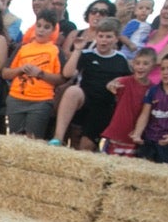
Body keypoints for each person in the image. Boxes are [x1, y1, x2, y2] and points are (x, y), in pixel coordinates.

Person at [51, 18, 132, 150]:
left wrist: (116, 83)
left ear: (116, 39)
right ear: (96, 37)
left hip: (104, 105)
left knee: (85, 146)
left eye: (108, 37)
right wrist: (77, 50)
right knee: (72, 91)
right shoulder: (86, 54)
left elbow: (126, 81)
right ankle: (57, 138)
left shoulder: (121, 59)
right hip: (84, 99)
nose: (104, 40)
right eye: (101, 36)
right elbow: (67, 73)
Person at [1, 9, 64, 137]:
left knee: (33, 139)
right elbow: (5, 73)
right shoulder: (22, 48)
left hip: (41, 101)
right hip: (16, 98)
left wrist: (40, 73)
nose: (41, 30)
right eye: (39, 26)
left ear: (53, 30)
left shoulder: (56, 51)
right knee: (14, 138)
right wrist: (20, 69)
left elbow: (62, 79)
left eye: (46, 27)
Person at [100, 49, 157, 155]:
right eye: (138, 63)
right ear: (133, 64)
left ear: (153, 66)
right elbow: (112, 84)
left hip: (134, 136)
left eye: (145, 64)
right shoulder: (125, 82)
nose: (140, 67)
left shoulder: (153, 89)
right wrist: (111, 85)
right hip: (116, 132)